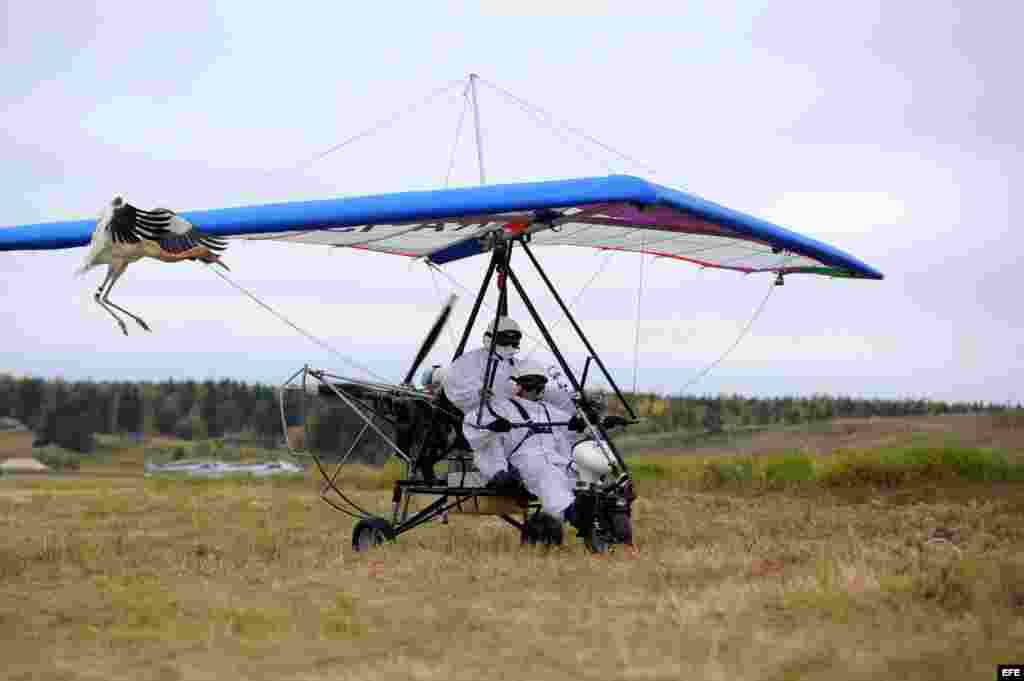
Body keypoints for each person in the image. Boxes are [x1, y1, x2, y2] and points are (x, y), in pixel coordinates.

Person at [471, 360, 629, 544]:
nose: (534, 391)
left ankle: (600, 507)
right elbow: (482, 438)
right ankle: (573, 513)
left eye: (538, 386)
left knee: (579, 471)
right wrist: (497, 469)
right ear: (519, 385)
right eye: (530, 385)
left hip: (557, 460)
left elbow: (579, 426)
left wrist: (604, 422)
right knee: (548, 475)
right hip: (525, 464)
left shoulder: (547, 410)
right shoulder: (501, 410)